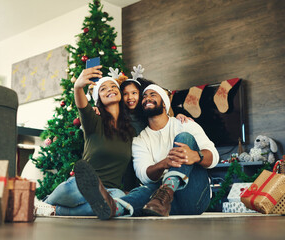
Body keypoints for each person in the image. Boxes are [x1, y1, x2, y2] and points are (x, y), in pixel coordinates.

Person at [75, 83, 219, 220]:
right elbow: (144, 174)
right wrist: (164, 164)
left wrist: (197, 156)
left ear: (164, 103)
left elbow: (214, 157)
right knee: (144, 190)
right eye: (144, 96)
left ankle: (167, 191)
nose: (147, 98)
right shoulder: (140, 140)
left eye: (153, 94)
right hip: (161, 205)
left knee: (184, 138)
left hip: (194, 197)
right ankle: (114, 208)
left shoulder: (184, 124)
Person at [36, 65, 135, 216]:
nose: (110, 89)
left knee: (119, 202)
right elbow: (82, 106)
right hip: (82, 185)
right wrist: (78, 87)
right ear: (98, 99)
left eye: (113, 86)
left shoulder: (130, 132)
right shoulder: (93, 122)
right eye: (103, 89)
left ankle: (55, 210)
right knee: (73, 188)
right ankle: (47, 203)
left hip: (110, 191)